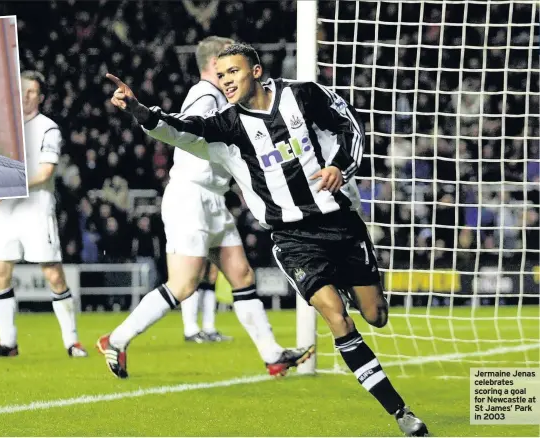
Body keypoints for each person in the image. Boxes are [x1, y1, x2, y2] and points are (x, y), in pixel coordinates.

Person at [105, 43, 429, 437]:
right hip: (292, 238)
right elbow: (180, 128)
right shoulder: (228, 125)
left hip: (340, 225)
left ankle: (332, 300)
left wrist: (339, 167)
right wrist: (138, 108)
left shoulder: (303, 94)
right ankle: (401, 412)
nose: (225, 81)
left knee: (375, 315)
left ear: (256, 72)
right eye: (220, 75)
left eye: (233, 72)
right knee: (335, 316)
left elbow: (350, 125)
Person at [97, 37, 314, 379]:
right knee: (183, 285)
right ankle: (117, 339)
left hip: (212, 197)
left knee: (242, 276)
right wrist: (141, 110)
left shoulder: (223, 99)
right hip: (190, 196)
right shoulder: (204, 95)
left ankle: (273, 355)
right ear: (215, 64)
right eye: (227, 61)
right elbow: (179, 128)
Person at [0, 71, 88, 358]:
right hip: (5, 210)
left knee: (53, 275)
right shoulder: (1, 130)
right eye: (22, 91)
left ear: (40, 97)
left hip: (36, 209)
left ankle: (72, 341)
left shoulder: (48, 128)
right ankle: (8, 342)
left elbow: (45, 172)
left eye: (32, 92)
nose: (26, 96)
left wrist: (7, 182)